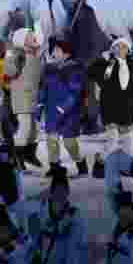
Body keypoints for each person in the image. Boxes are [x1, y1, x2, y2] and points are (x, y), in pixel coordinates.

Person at [88, 37, 133, 178]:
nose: (121, 49)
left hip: (126, 105)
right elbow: (95, 75)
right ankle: (100, 161)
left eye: (124, 47)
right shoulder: (106, 63)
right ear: (113, 49)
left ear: (128, 50)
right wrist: (102, 61)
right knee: (113, 139)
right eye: (118, 46)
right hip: (109, 105)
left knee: (129, 140)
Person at [39, 37, 88, 177]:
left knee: (69, 142)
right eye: (53, 50)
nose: (54, 53)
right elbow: (44, 89)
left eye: (57, 50)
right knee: (51, 141)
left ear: (66, 54)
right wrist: (39, 106)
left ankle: (81, 163)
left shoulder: (75, 69)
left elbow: (75, 92)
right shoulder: (49, 69)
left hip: (69, 113)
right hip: (51, 111)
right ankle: (54, 166)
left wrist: (64, 107)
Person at [3, 27, 46, 169]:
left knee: (34, 129)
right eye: (29, 35)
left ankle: (29, 154)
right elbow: (9, 71)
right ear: (22, 41)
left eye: (32, 33)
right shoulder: (17, 55)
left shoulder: (36, 55)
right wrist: (10, 55)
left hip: (33, 97)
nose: (34, 36)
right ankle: (17, 158)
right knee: (24, 128)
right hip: (21, 97)